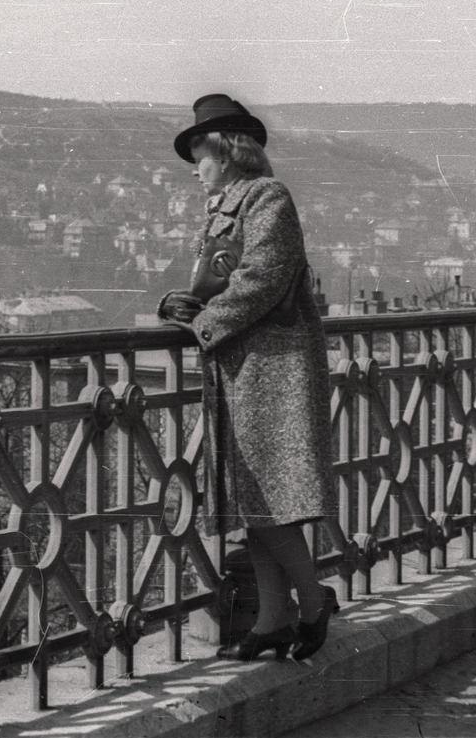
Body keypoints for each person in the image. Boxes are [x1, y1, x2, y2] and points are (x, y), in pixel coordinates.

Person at [157, 94, 339, 661]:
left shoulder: (267, 198)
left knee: (266, 501)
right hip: (244, 371)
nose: (196, 168)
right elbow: (222, 284)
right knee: (252, 501)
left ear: (228, 152)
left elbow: (262, 277)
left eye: (201, 155)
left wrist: (205, 324)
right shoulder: (226, 208)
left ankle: (311, 603)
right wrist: (178, 305)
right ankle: (273, 619)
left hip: (273, 373)